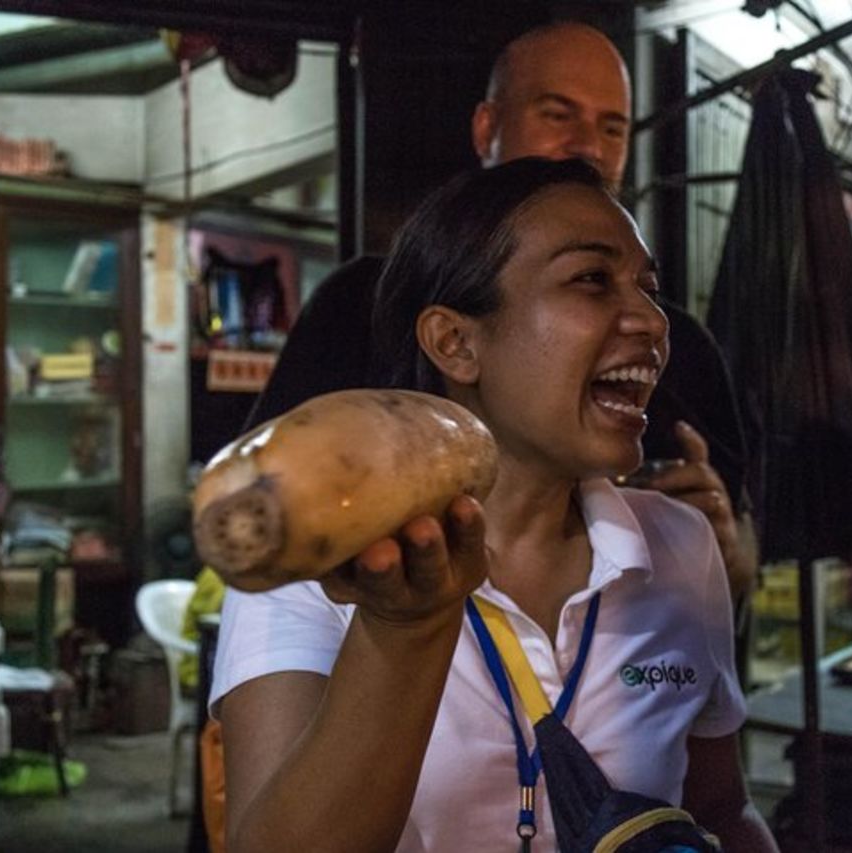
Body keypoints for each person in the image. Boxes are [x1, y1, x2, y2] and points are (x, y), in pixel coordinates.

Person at [213, 158, 778, 852]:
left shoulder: (682, 547)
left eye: (649, 287)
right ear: (456, 342)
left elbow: (721, 808)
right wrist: (400, 629)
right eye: (593, 279)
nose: (653, 322)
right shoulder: (322, 572)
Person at [247, 21, 758, 607]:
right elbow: (268, 508)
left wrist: (721, 554)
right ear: (451, 341)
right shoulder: (364, 304)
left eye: (612, 127)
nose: (588, 146)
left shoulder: (676, 343)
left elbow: (739, 541)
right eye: (558, 114)